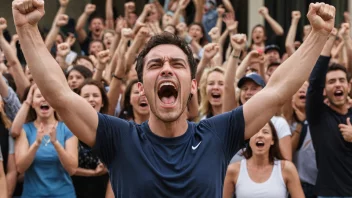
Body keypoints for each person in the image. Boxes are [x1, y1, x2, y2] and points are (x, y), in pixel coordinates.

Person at [13, 1, 335, 197]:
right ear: (141, 87)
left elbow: (277, 89)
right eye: (155, 65)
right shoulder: (119, 137)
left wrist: (319, 34)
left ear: (193, 85)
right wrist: (27, 29)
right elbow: (60, 94)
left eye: (177, 64)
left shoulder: (218, 134)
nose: (166, 69)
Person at [307, 27, 352, 197]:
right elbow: (315, 81)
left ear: (349, 86)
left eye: (342, 80)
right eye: (332, 82)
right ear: (325, 90)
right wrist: (331, 37)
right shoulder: (318, 115)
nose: (338, 84)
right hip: (328, 194)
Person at [13, 85, 78, 197]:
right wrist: (36, 144)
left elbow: (72, 169)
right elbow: (20, 167)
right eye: (39, 96)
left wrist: (56, 143)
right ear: (33, 104)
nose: (43, 99)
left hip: (63, 194)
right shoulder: (25, 129)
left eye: (48, 96)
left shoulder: (67, 128)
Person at [223, 122, 304, 198]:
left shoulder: (286, 168)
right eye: (255, 132)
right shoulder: (233, 170)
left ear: (273, 140)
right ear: (248, 140)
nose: (260, 135)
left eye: (265, 132)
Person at [72, 79, 109, 198]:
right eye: (86, 96)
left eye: (95, 95)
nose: (91, 99)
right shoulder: (70, 127)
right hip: (74, 190)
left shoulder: (112, 128)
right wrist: (92, 173)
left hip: (106, 189)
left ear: (102, 102)